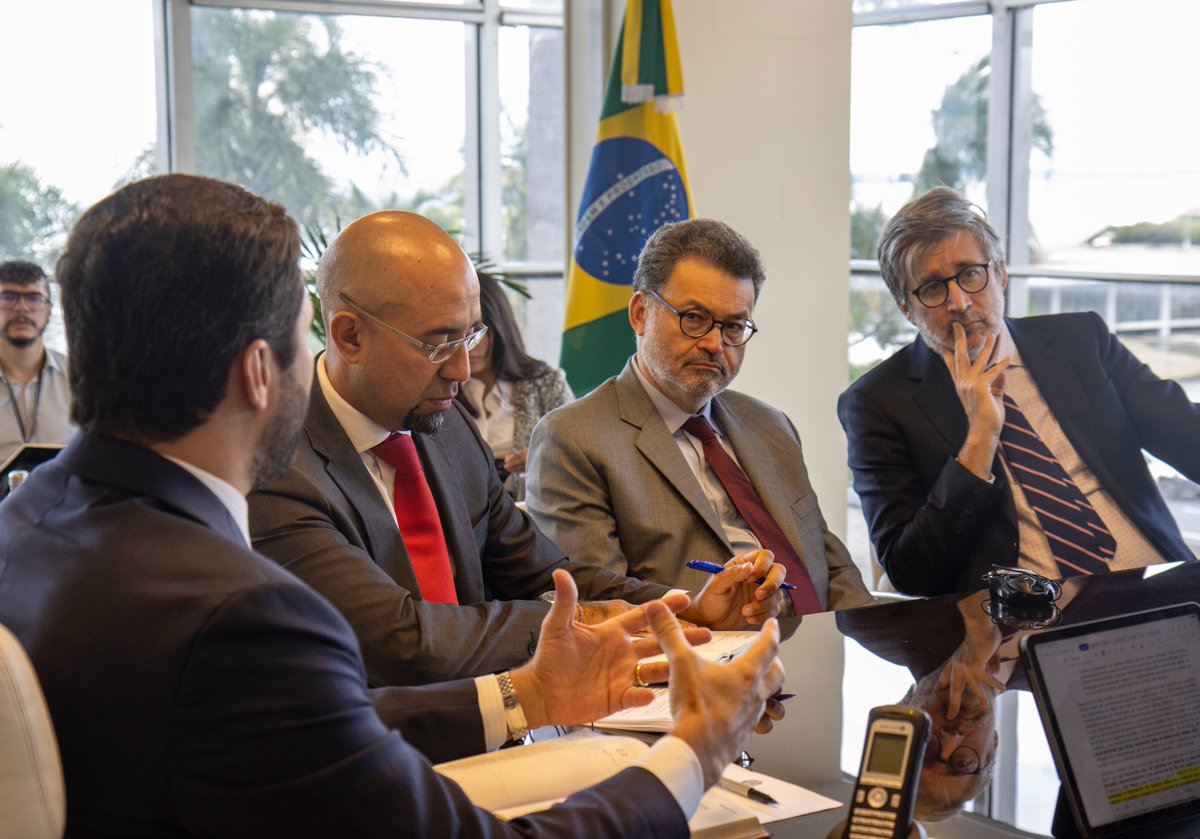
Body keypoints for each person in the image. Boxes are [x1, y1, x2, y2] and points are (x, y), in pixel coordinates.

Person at [0, 173, 788, 837]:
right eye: (300, 337)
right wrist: (692, 751)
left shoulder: (24, 525)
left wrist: (529, 694)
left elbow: (305, 728)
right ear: (259, 372)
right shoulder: (240, 614)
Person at [249, 210, 786, 687]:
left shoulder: (448, 424)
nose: (462, 371)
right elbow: (403, 642)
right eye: (438, 344)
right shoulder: (277, 467)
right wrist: (584, 621)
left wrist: (682, 608)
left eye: (471, 337)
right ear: (349, 338)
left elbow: (540, 573)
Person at [838, 187, 1199, 597]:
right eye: (933, 288)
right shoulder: (878, 404)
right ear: (906, 307)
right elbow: (910, 572)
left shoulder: (1081, 342)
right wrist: (979, 441)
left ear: (1001, 273)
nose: (960, 301)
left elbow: (1187, 435)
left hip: (1159, 585)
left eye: (970, 274)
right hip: (1021, 627)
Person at [526, 218, 874, 613]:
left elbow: (827, 560)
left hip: (814, 652)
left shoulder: (771, 425)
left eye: (734, 326)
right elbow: (591, 601)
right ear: (640, 313)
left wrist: (870, 635)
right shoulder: (572, 438)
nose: (714, 344)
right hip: (695, 659)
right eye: (694, 318)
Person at [457, 271, 572, 489]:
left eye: (479, 333)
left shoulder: (546, 384)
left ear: (502, 329)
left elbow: (579, 454)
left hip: (532, 513)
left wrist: (543, 458)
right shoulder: (439, 388)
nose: (472, 346)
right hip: (463, 518)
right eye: (462, 335)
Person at [0, 260, 75, 461]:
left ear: (49, 311)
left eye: (34, 298)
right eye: (9, 297)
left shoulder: (78, 379)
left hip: (64, 491)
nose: (22, 308)